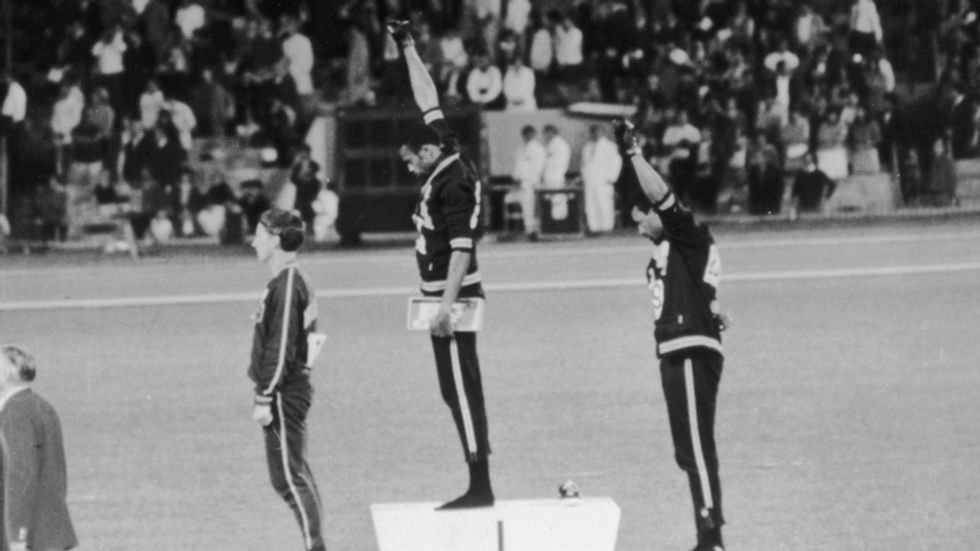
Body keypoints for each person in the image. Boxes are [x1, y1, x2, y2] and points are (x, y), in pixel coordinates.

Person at [388, 20, 494, 509]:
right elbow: (425, 92)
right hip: (444, 297)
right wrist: (406, 45)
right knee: (454, 390)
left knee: (462, 388)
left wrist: (445, 307)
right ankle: (477, 476)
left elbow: (461, 248)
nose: (411, 168)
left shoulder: (454, 182)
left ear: (429, 152)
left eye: (413, 160)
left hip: (454, 299)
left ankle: (480, 484)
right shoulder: (444, 149)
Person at [613, 118, 728, 551]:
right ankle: (707, 532)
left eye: (643, 218)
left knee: (696, 445)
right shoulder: (670, 252)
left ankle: (711, 535)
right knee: (688, 448)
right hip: (677, 349)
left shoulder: (688, 235)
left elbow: (660, 194)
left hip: (689, 350)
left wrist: (633, 153)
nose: (640, 227)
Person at [248, 209, 326, 551]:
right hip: (289, 387)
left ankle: (316, 546)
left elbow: (279, 348)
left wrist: (265, 395)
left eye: (260, 235)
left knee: (288, 478)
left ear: (277, 240)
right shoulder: (289, 281)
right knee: (294, 474)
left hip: (282, 390)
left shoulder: (288, 283)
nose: (254, 241)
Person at [0, 345, 78, 551]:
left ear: (6, 374)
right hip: (52, 530)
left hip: (29, 538)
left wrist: (18, 537)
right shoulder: (42, 406)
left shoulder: (15, 412)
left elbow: (20, 477)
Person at [580, 123, 622, 235]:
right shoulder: (587, 147)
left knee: (604, 205)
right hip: (590, 181)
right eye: (592, 132)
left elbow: (616, 162)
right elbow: (585, 165)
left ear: (603, 132)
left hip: (604, 181)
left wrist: (612, 178)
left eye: (597, 131)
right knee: (590, 206)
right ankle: (594, 228)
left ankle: (607, 228)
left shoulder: (610, 146)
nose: (594, 134)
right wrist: (584, 177)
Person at [510, 124, 546, 239]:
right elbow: (517, 165)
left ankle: (534, 231)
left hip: (531, 182)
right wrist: (516, 178)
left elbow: (538, 167)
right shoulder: (520, 148)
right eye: (525, 134)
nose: (527, 136)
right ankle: (527, 230)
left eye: (530, 134)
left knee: (532, 207)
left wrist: (528, 179)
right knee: (525, 207)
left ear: (534, 134)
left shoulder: (538, 149)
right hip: (520, 182)